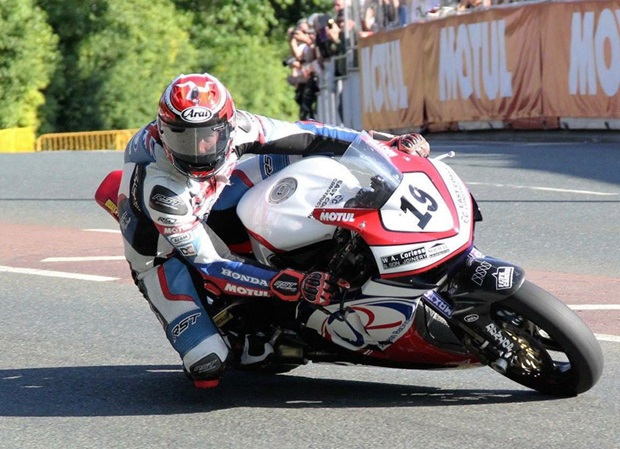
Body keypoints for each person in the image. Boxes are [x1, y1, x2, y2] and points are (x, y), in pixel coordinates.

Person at [118, 72, 430, 389]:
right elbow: (212, 264)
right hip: (165, 253)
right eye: (183, 139)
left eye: (209, 135)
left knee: (300, 150)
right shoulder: (160, 189)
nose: (198, 149)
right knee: (206, 364)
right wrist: (290, 285)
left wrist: (381, 145)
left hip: (217, 192)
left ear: (227, 124)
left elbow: (309, 133)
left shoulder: (240, 125)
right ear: (162, 132)